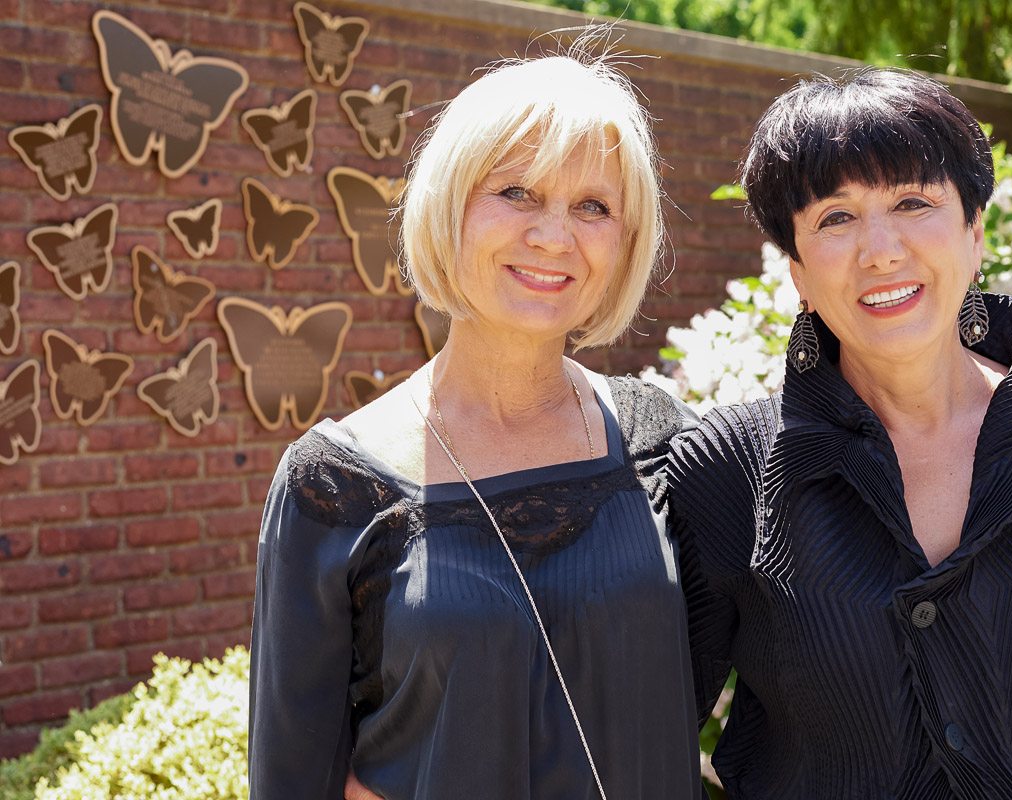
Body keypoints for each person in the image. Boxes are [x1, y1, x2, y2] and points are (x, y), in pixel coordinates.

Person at [670, 67, 1012, 798]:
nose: (880, 250)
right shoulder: (726, 473)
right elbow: (650, 741)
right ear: (796, 269)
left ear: (975, 232)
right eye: (835, 218)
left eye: (913, 202)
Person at [248, 52, 704, 799]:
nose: (555, 236)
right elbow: (293, 779)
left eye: (594, 206)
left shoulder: (667, 444)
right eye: (517, 192)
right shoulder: (331, 485)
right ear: (448, 204)